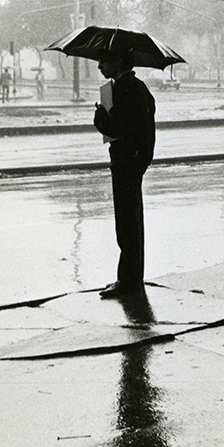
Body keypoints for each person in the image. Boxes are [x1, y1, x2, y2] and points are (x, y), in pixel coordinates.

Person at [93, 41, 156, 298]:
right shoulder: (137, 87)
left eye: (103, 61)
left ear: (117, 62)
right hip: (135, 161)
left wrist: (101, 119)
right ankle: (132, 278)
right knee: (132, 221)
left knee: (127, 223)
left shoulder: (126, 89)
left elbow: (118, 127)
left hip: (126, 162)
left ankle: (127, 281)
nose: (99, 66)